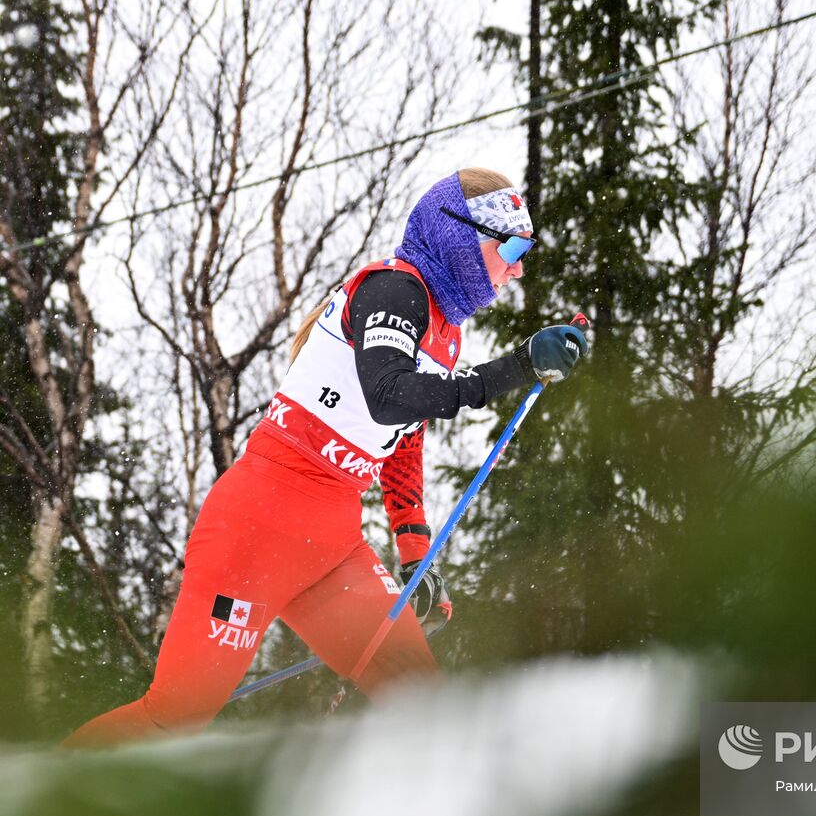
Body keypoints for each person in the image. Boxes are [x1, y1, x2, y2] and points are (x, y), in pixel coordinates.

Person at [65, 168, 588, 746]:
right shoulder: (394, 290)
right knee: (175, 718)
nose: (516, 268)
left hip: (332, 547)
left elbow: (403, 437)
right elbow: (388, 396)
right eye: (510, 248)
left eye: (525, 253)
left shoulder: (445, 329)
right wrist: (510, 370)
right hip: (255, 530)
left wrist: (415, 552)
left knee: (423, 704)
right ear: (459, 236)